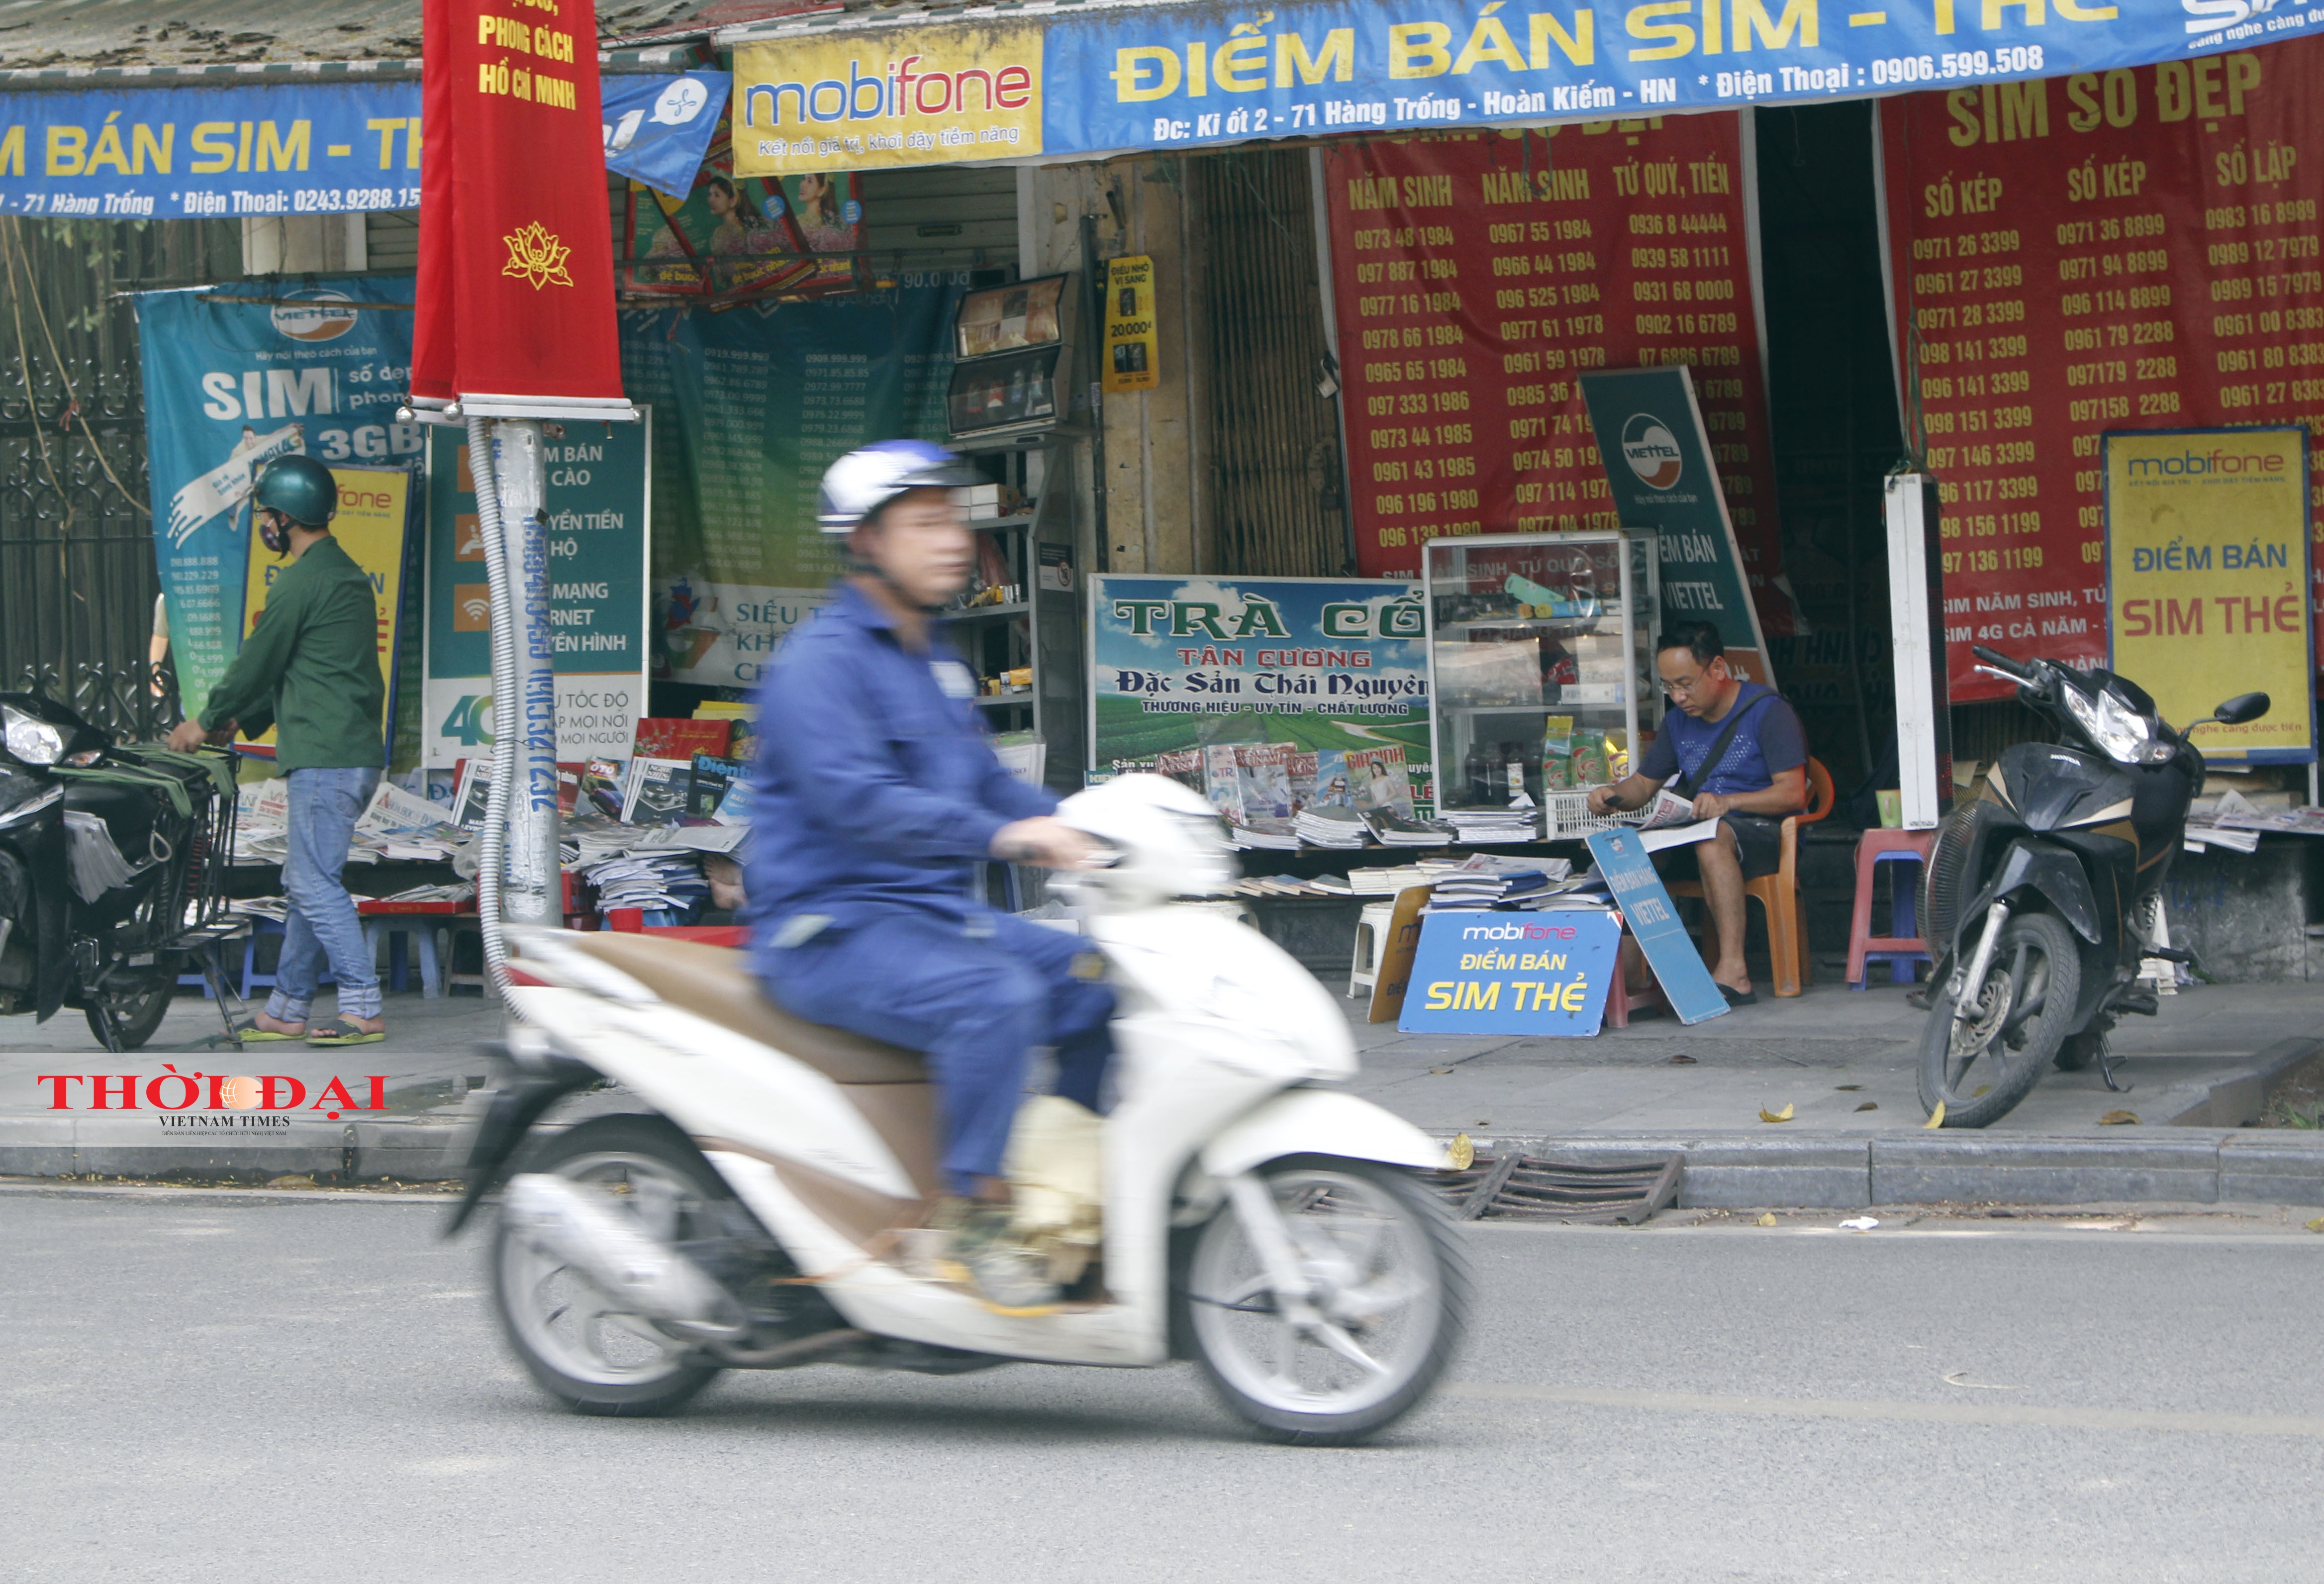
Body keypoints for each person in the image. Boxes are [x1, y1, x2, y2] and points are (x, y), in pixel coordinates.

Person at [744, 439, 1110, 1309]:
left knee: (1106, 982)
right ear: (865, 539)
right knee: (996, 1001)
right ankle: (971, 1220)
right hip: (831, 929)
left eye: (954, 517)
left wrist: (1088, 824)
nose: (952, 537)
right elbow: (861, 803)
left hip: (930, 918)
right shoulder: (821, 662)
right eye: (924, 521)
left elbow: (985, 779)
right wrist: (1011, 838)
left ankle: (1067, 1196)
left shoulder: (931, 654)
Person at [168, 455, 387, 1047]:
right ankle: (287, 1007)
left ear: (285, 517)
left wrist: (206, 720)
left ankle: (362, 1005)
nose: (265, 524)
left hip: (325, 752)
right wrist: (243, 720)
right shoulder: (344, 576)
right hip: (349, 747)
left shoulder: (300, 580)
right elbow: (312, 671)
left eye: (267, 514)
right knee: (306, 880)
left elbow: (259, 662)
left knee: (315, 884)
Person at [1586, 622, 1807, 1005]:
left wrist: (1730, 803)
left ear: (1718, 669)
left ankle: (1735, 970)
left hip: (1763, 833)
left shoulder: (1768, 712)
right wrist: (1612, 796)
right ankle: (1630, 976)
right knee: (1619, 850)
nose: (1678, 697)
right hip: (1699, 831)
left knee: (1712, 837)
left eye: (1686, 684)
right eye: (1668, 686)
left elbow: (1792, 793)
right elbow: (1642, 785)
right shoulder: (1678, 722)